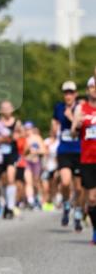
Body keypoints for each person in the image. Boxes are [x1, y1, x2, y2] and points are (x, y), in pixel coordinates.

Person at [52, 80, 83, 231]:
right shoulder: (58, 107)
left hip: (79, 151)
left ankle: (77, 212)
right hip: (64, 150)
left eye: (71, 92)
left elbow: (81, 126)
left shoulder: (81, 107)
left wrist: (71, 117)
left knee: (78, 188)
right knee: (65, 182)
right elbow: (54, 125)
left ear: (75, 94)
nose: (68, 95)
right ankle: (66, 204)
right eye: (66, 92)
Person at [72, 76, 96, 245]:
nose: (95, 89)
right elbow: (73, 133)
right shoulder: (81, 108)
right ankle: (95, 230)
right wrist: (77, 126)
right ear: (87, 90)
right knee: (93, 199)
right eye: (92, 87)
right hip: (87, 158)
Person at [0, 100, 22, 219]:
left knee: (11, 178)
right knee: (3, 180)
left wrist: (14, 136)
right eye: (4, 108)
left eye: (8, 107)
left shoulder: (16, 122)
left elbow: (19, 135)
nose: (6, 110)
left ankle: (10, 207)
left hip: (11, 153)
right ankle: (5, 203)